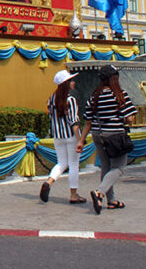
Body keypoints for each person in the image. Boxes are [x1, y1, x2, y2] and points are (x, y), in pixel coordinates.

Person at [77, 64, 137, 214]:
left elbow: (88, 121)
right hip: (115, 135)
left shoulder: (94, 97)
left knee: (106, 167)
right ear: (114, 78)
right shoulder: (119, 95)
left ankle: (112, 201)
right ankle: (99, 193)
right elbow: (130, 119)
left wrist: (81, 140)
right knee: (119, 168)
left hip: (98, 135)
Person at [40, 69, 85, 204]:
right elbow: (74, 122)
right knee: (73, 164)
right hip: (71, 136)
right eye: (71, 80)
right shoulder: (70, 100)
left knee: (61, 163)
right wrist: (80, 140)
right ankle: (73, 194)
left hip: (57, 136)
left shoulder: (51, 99)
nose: (73, 82)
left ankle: (49, 181)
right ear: (66, 83)